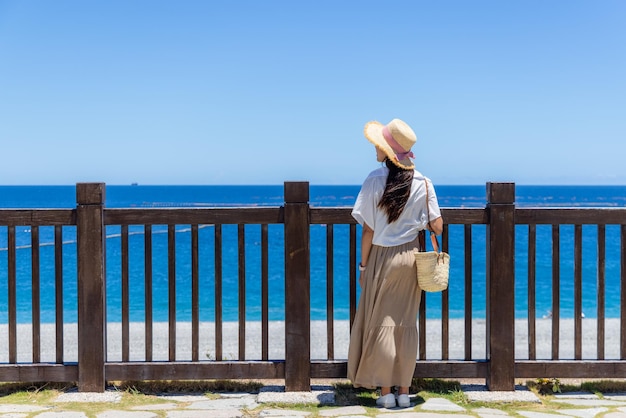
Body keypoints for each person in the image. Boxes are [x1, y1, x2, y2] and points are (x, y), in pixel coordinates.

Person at [347, 118, 443, 408]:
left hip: (382, 258)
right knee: (404, 324)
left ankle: (385, 392)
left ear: (388, 152)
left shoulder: (375, 179)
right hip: (411, 258)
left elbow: (368, 230)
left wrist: (363, 267)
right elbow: (437, 226)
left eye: (379, 145)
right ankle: (404, 391)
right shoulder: (423, 182)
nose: (375, 148)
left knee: (383, 323)